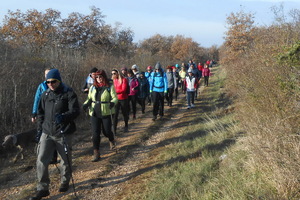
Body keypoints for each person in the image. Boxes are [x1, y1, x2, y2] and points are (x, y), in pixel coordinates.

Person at [30, 69, 80, 200]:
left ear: (59, 81)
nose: (50, 84)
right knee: (41, 160)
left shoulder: (68, 93)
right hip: (47, 132)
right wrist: (39, 130)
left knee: (65, 160)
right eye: (48, 82)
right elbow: (40, 113)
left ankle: (65, 181)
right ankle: (42, 188)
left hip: (63, 131)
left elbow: (75, 111)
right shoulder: (45, 94)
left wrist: (64, 117)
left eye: (53, 81)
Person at [83, 70, 118, 162]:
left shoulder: (109, 87)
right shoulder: (93, 87)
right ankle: (96, 152)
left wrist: (112, 103)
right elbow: (89, 98)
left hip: (106, 111)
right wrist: (85, 104)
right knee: (95, 133)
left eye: (100, 77)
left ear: (104, 77)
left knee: (106, 131)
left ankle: (111, 139)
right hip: (94, 112)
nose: (99, 79)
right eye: (97, 77)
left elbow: (115, 98)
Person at [32, 68, 59, 165]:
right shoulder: (41, 86)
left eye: (49, 74)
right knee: (42, 133)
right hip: (42, 113)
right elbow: (37, 99)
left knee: (53, 134)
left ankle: (54, 156)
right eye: (46, 74)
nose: (47, 76)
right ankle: (44, 154)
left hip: (53, 114)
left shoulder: (57, 84)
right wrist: (34, 113)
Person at [111, 69, 129, 133]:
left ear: (118, 73)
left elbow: (123, 89)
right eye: (112, 74)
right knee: (115, 115)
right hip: (116, 99)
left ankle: (126, 125)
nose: (113, 75)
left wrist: (115, 92)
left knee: (124, 113)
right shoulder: (113, 81)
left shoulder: (124, 80)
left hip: (123, 98)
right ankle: (114, 130)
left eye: (114, 73)